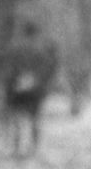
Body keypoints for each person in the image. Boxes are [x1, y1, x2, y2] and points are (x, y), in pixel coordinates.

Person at [4, 18, 59, 157]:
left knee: (17, 119)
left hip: (19, 89)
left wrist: (14, 81)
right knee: (34, 119)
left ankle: (17, 148)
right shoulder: (40, 50)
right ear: (35, 33)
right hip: (34, 89)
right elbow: (47, 68)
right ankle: (33, 149)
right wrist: (40, 81)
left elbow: (9, 68)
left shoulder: (15, 49)